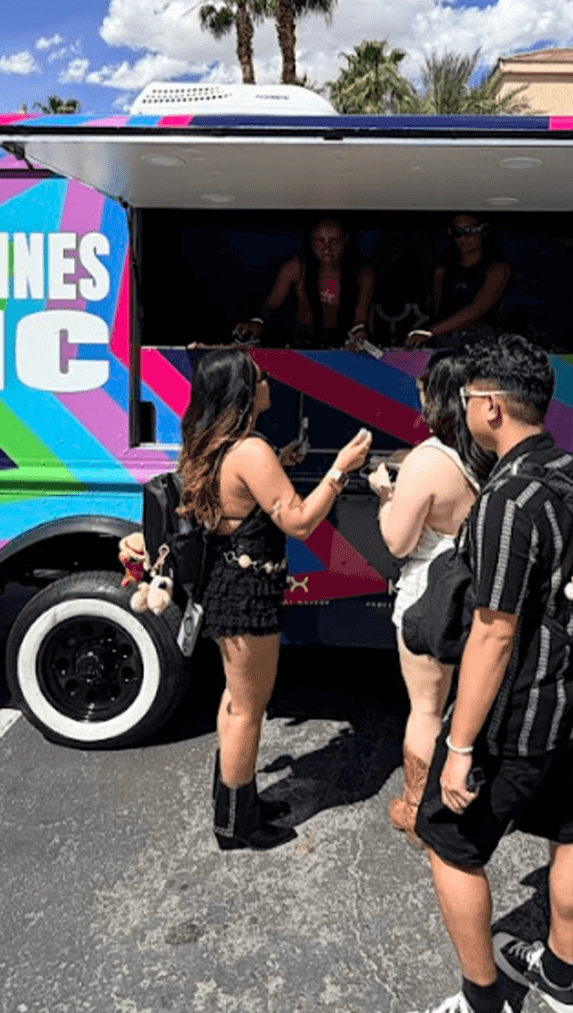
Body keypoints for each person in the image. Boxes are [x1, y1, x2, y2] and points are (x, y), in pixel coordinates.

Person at [407, 334, 573, 1013]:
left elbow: (494, 630)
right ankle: (560, 975)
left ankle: (483, 998)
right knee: (570, 828)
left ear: (490, 406)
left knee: (449, 842)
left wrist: (459, 746)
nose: (463, 410)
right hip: (572, 695)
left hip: (515, 713)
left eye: (466, 398)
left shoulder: (508, 499)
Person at [176, 348, 372, 850]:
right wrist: (340, 469)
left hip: (227, 584)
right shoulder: (250, 450)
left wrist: (278, 464)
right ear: (243, 390)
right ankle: (237, 825)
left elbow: (239, 498)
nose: (268, 381)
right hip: (250, 593)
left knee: (234, 701)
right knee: (249, 708)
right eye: (260, 376)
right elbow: (300, 522)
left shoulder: (212, 443)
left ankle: (235, 801)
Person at [368, 349, 493, 847]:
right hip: (481, 593)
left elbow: (397, 542)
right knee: (468, 705)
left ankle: (417, 811)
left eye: (423, 390)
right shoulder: (490, 452)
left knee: (425, 708)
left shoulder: (426, 461)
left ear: (438, 396)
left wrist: (385, 496)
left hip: (431, 597)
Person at [237, 219, 375, 348]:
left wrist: (359, 334)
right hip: (302, 343)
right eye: (320, 241)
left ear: (346, 240)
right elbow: (271, 305)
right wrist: (256, 323)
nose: (327, 249)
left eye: (334, 241)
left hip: (341, 345)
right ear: (311, 241)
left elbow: (360, 319)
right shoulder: (296, 267)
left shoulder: (363, 273)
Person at [406, 215, 511, 348]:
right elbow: (437, 312)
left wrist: (431, 331)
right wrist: (431, 334)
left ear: (484, 231)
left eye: (469, 231)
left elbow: (476, 309)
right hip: (444, 339)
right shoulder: (443, 270)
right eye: (457, 232)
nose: (463, 238)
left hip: (480, 343)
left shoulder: (498, 268)